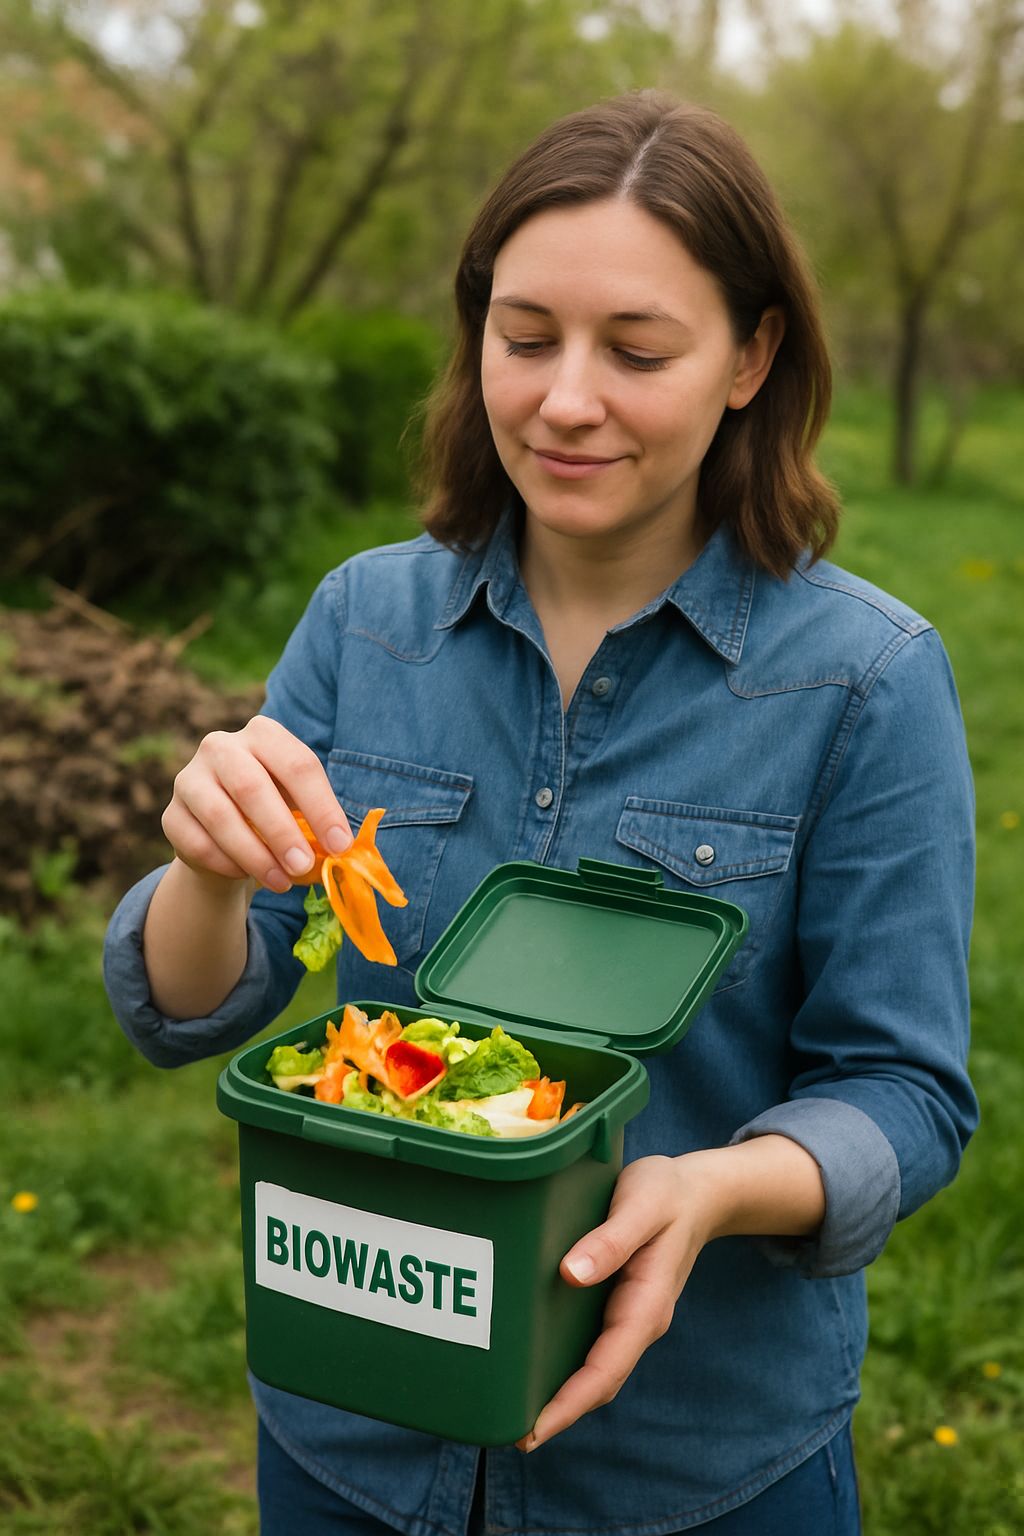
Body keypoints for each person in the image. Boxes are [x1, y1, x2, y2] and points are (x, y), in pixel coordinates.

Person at [103, 91, 977, 1536]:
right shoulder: (365, 622)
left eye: (637, 350)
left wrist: (709, 1190)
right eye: (525, 339)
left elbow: (906, 1094)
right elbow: (194, 1003)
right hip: (353, 1436)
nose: (567, 398)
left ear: (753, 356)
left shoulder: (868, 684)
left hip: (691, 1466)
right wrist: (203, 871)